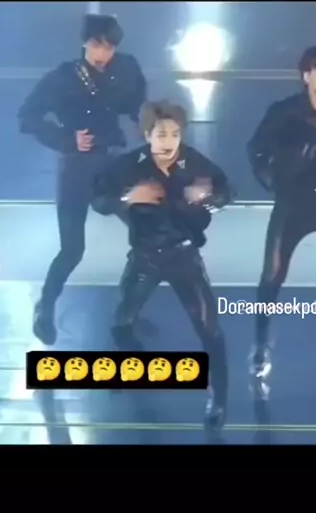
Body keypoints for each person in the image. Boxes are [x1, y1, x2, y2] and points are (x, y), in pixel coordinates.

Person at [93, 100, 233, 430]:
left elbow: (227, 190)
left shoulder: (194, 162)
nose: (169, 141)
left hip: (184, 258)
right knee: (121, 325)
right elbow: (98, 198)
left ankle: (219, 397)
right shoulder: (129, 166)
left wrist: (209, 198)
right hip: (145, 258)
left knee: (209, 329)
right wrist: (128, 198)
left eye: (175, 134)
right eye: (161, 134)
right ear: (147, 135)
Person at [18, 13, 147, 345]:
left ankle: (128, 312)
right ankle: (45, 306)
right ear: (85, 43)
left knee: (146, 233)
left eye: (110, 47)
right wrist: (66, 139)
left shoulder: (127, 68)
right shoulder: (63, 78)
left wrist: (147, 125)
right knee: (73, 249)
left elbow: (138, 104)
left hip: (114, 166)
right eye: (98, 45)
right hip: (77, 167)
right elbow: (27, 117)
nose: (104, 53)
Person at [247, 44, 316, 381]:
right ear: (306, 75)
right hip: (292, 202)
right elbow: (256, 151)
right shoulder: (285, 112)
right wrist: (274, 180)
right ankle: (261, 343)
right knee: (272, 276)